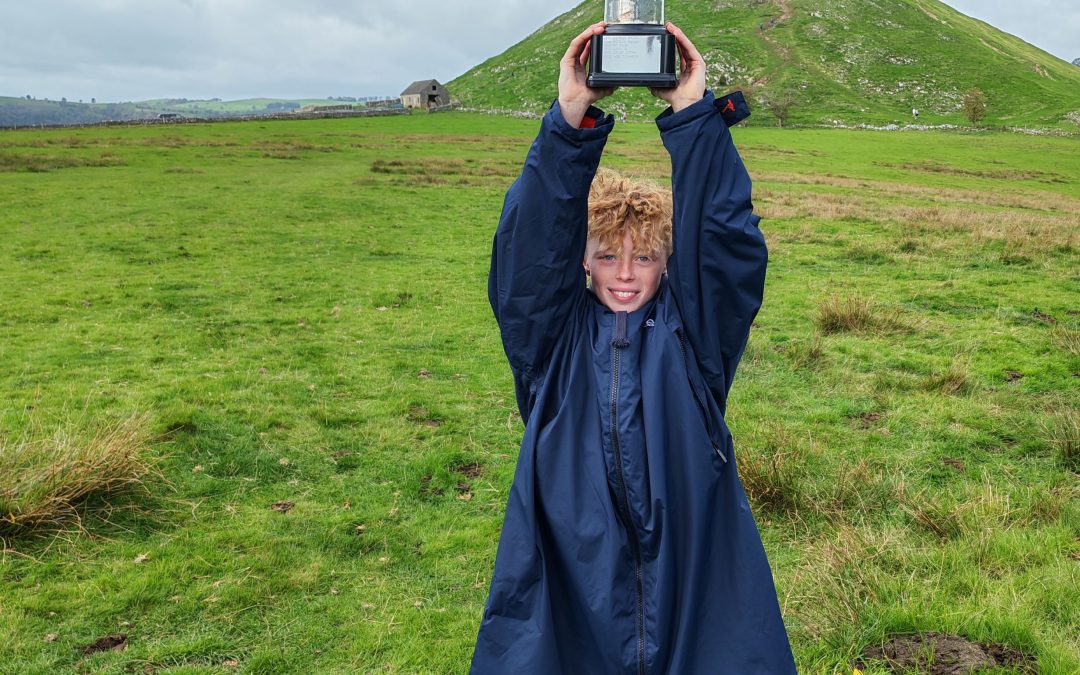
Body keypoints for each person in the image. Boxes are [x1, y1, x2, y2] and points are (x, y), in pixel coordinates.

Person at [472, 21, 797, 674]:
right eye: (607, 255)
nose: (625, 273)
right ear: (582, 262)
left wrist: (693, 114)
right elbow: (529, 252)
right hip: (569, 580)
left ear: (668, 265)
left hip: (692, 577)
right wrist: (568, 122)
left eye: (645, 257)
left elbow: (727, 248)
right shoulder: (549, 343)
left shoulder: (697, 339)